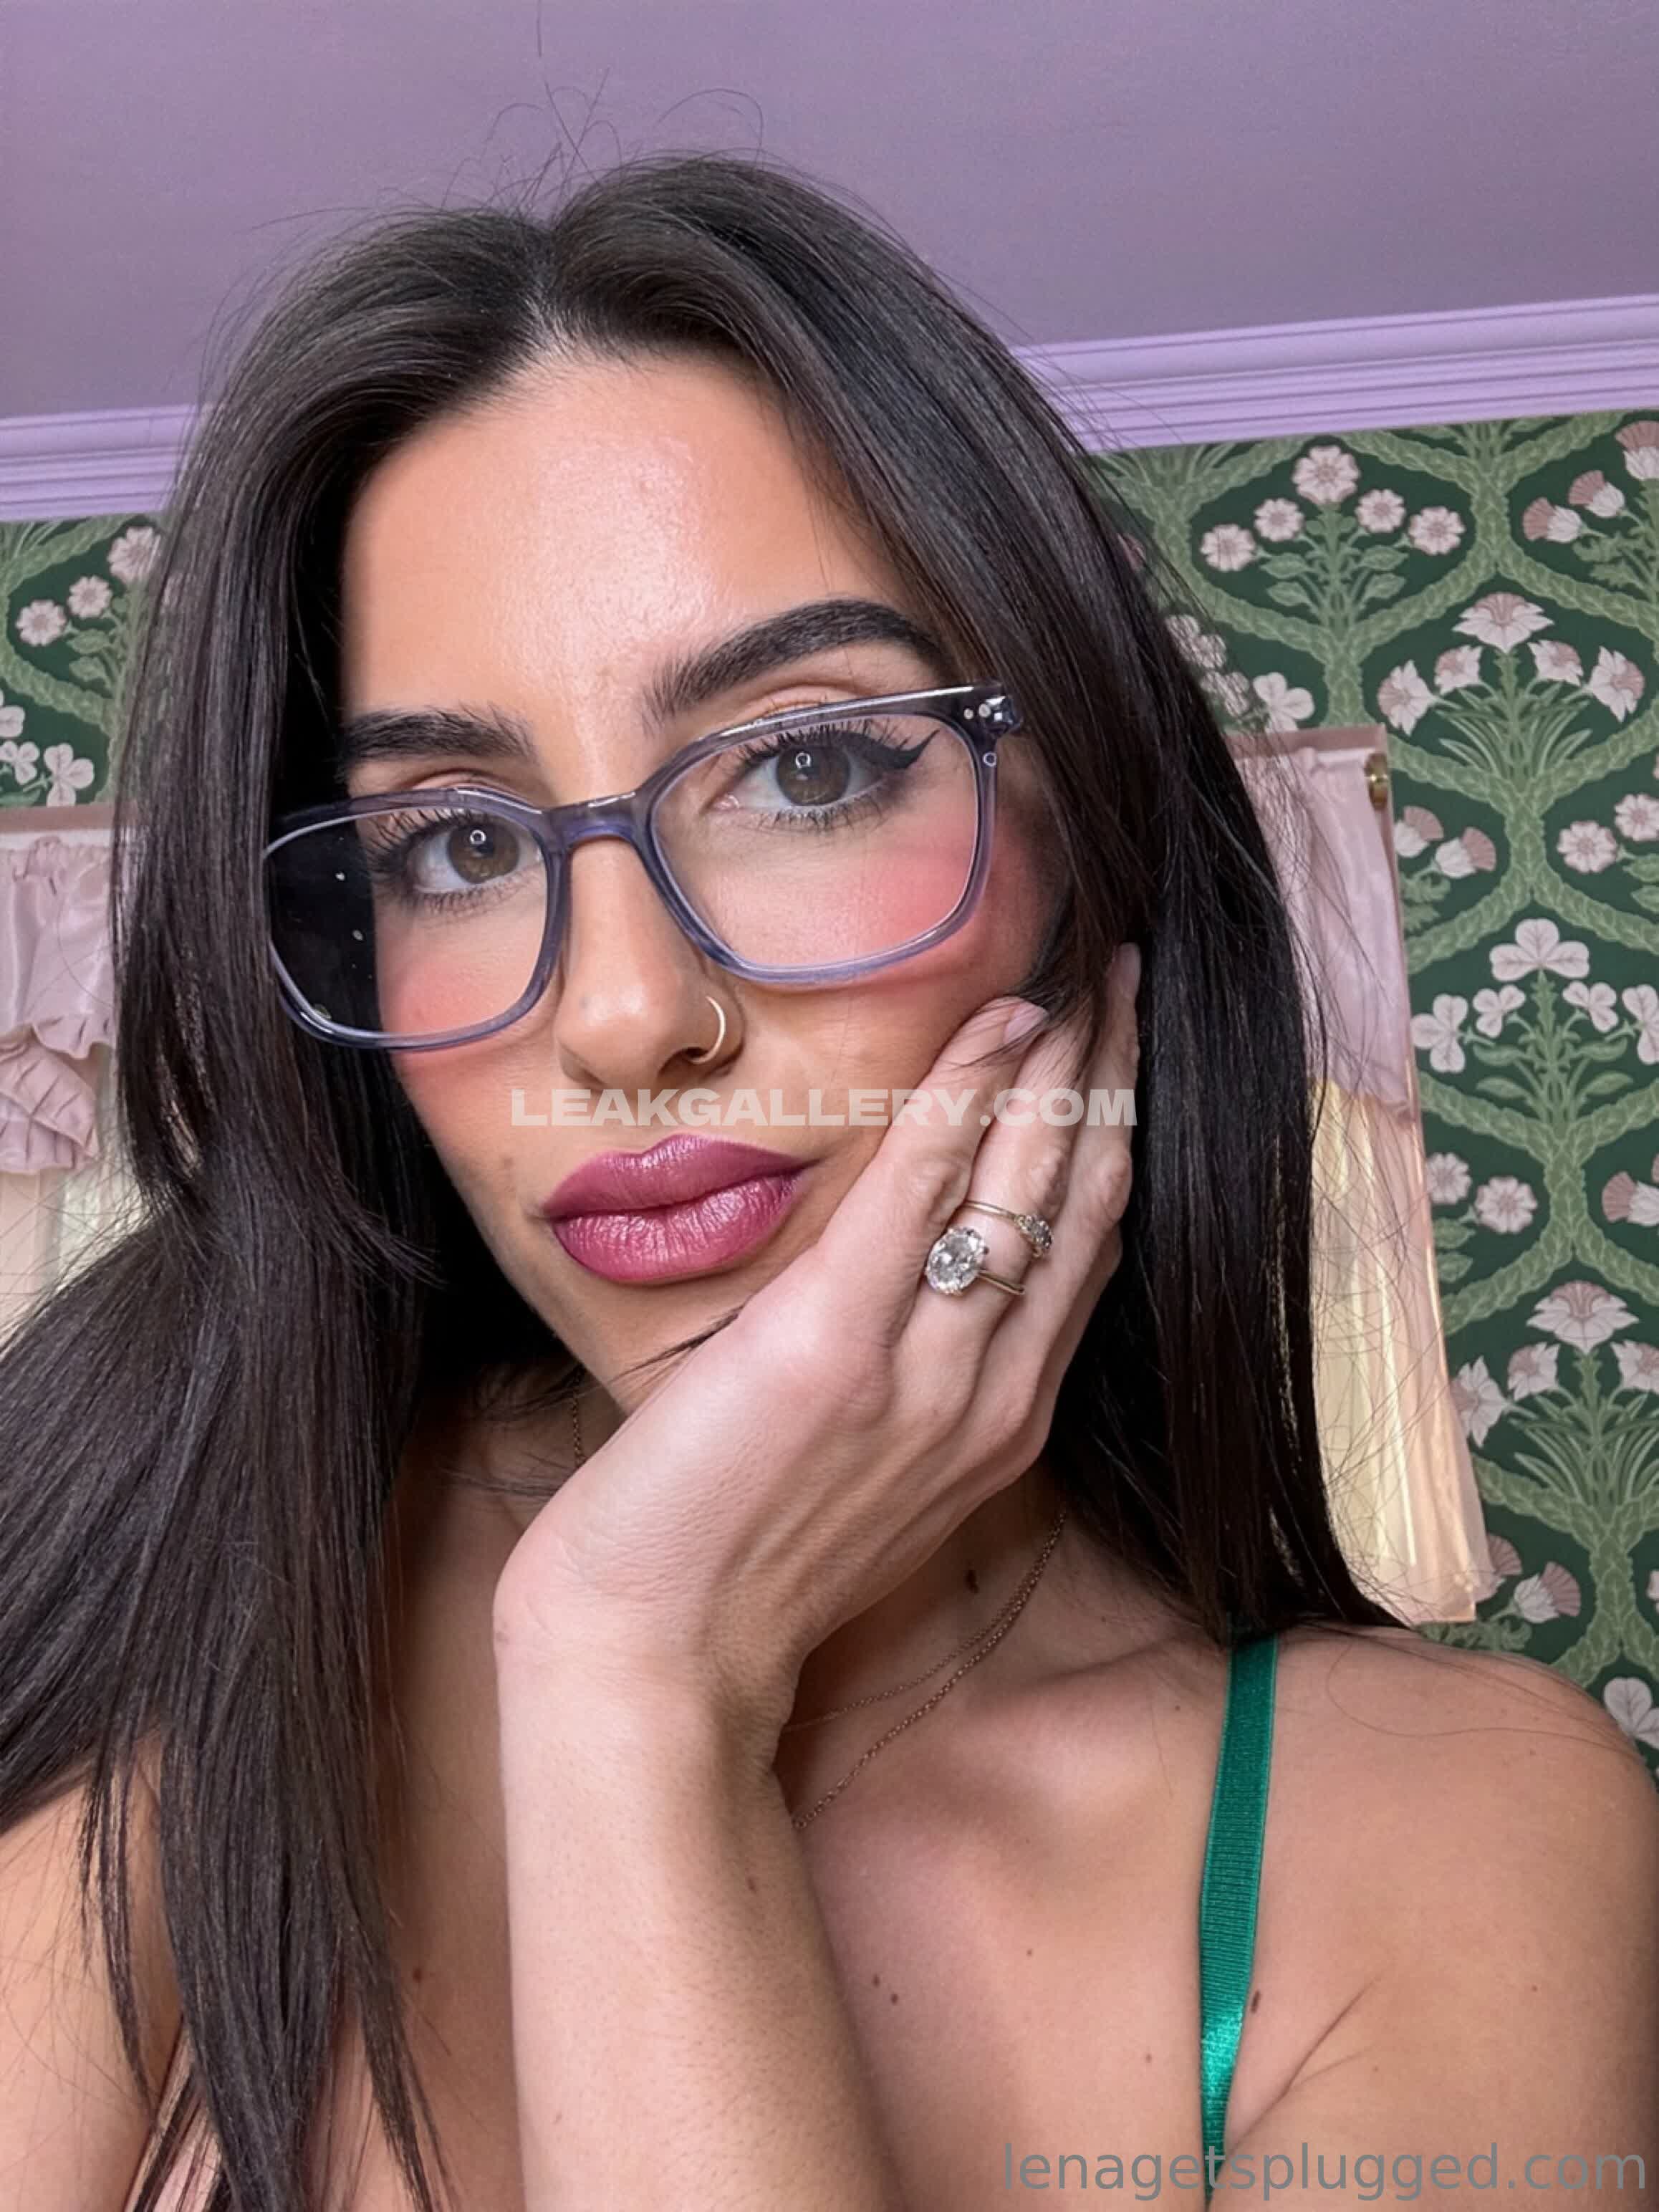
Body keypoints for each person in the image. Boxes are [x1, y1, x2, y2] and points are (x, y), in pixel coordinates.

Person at [0, 151, 1653, 2212]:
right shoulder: (165, 1527)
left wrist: (635, 1687)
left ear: (1091, 853)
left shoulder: (1449, 1832)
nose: (624, 1018)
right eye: (454, 842)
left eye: (807, 765)